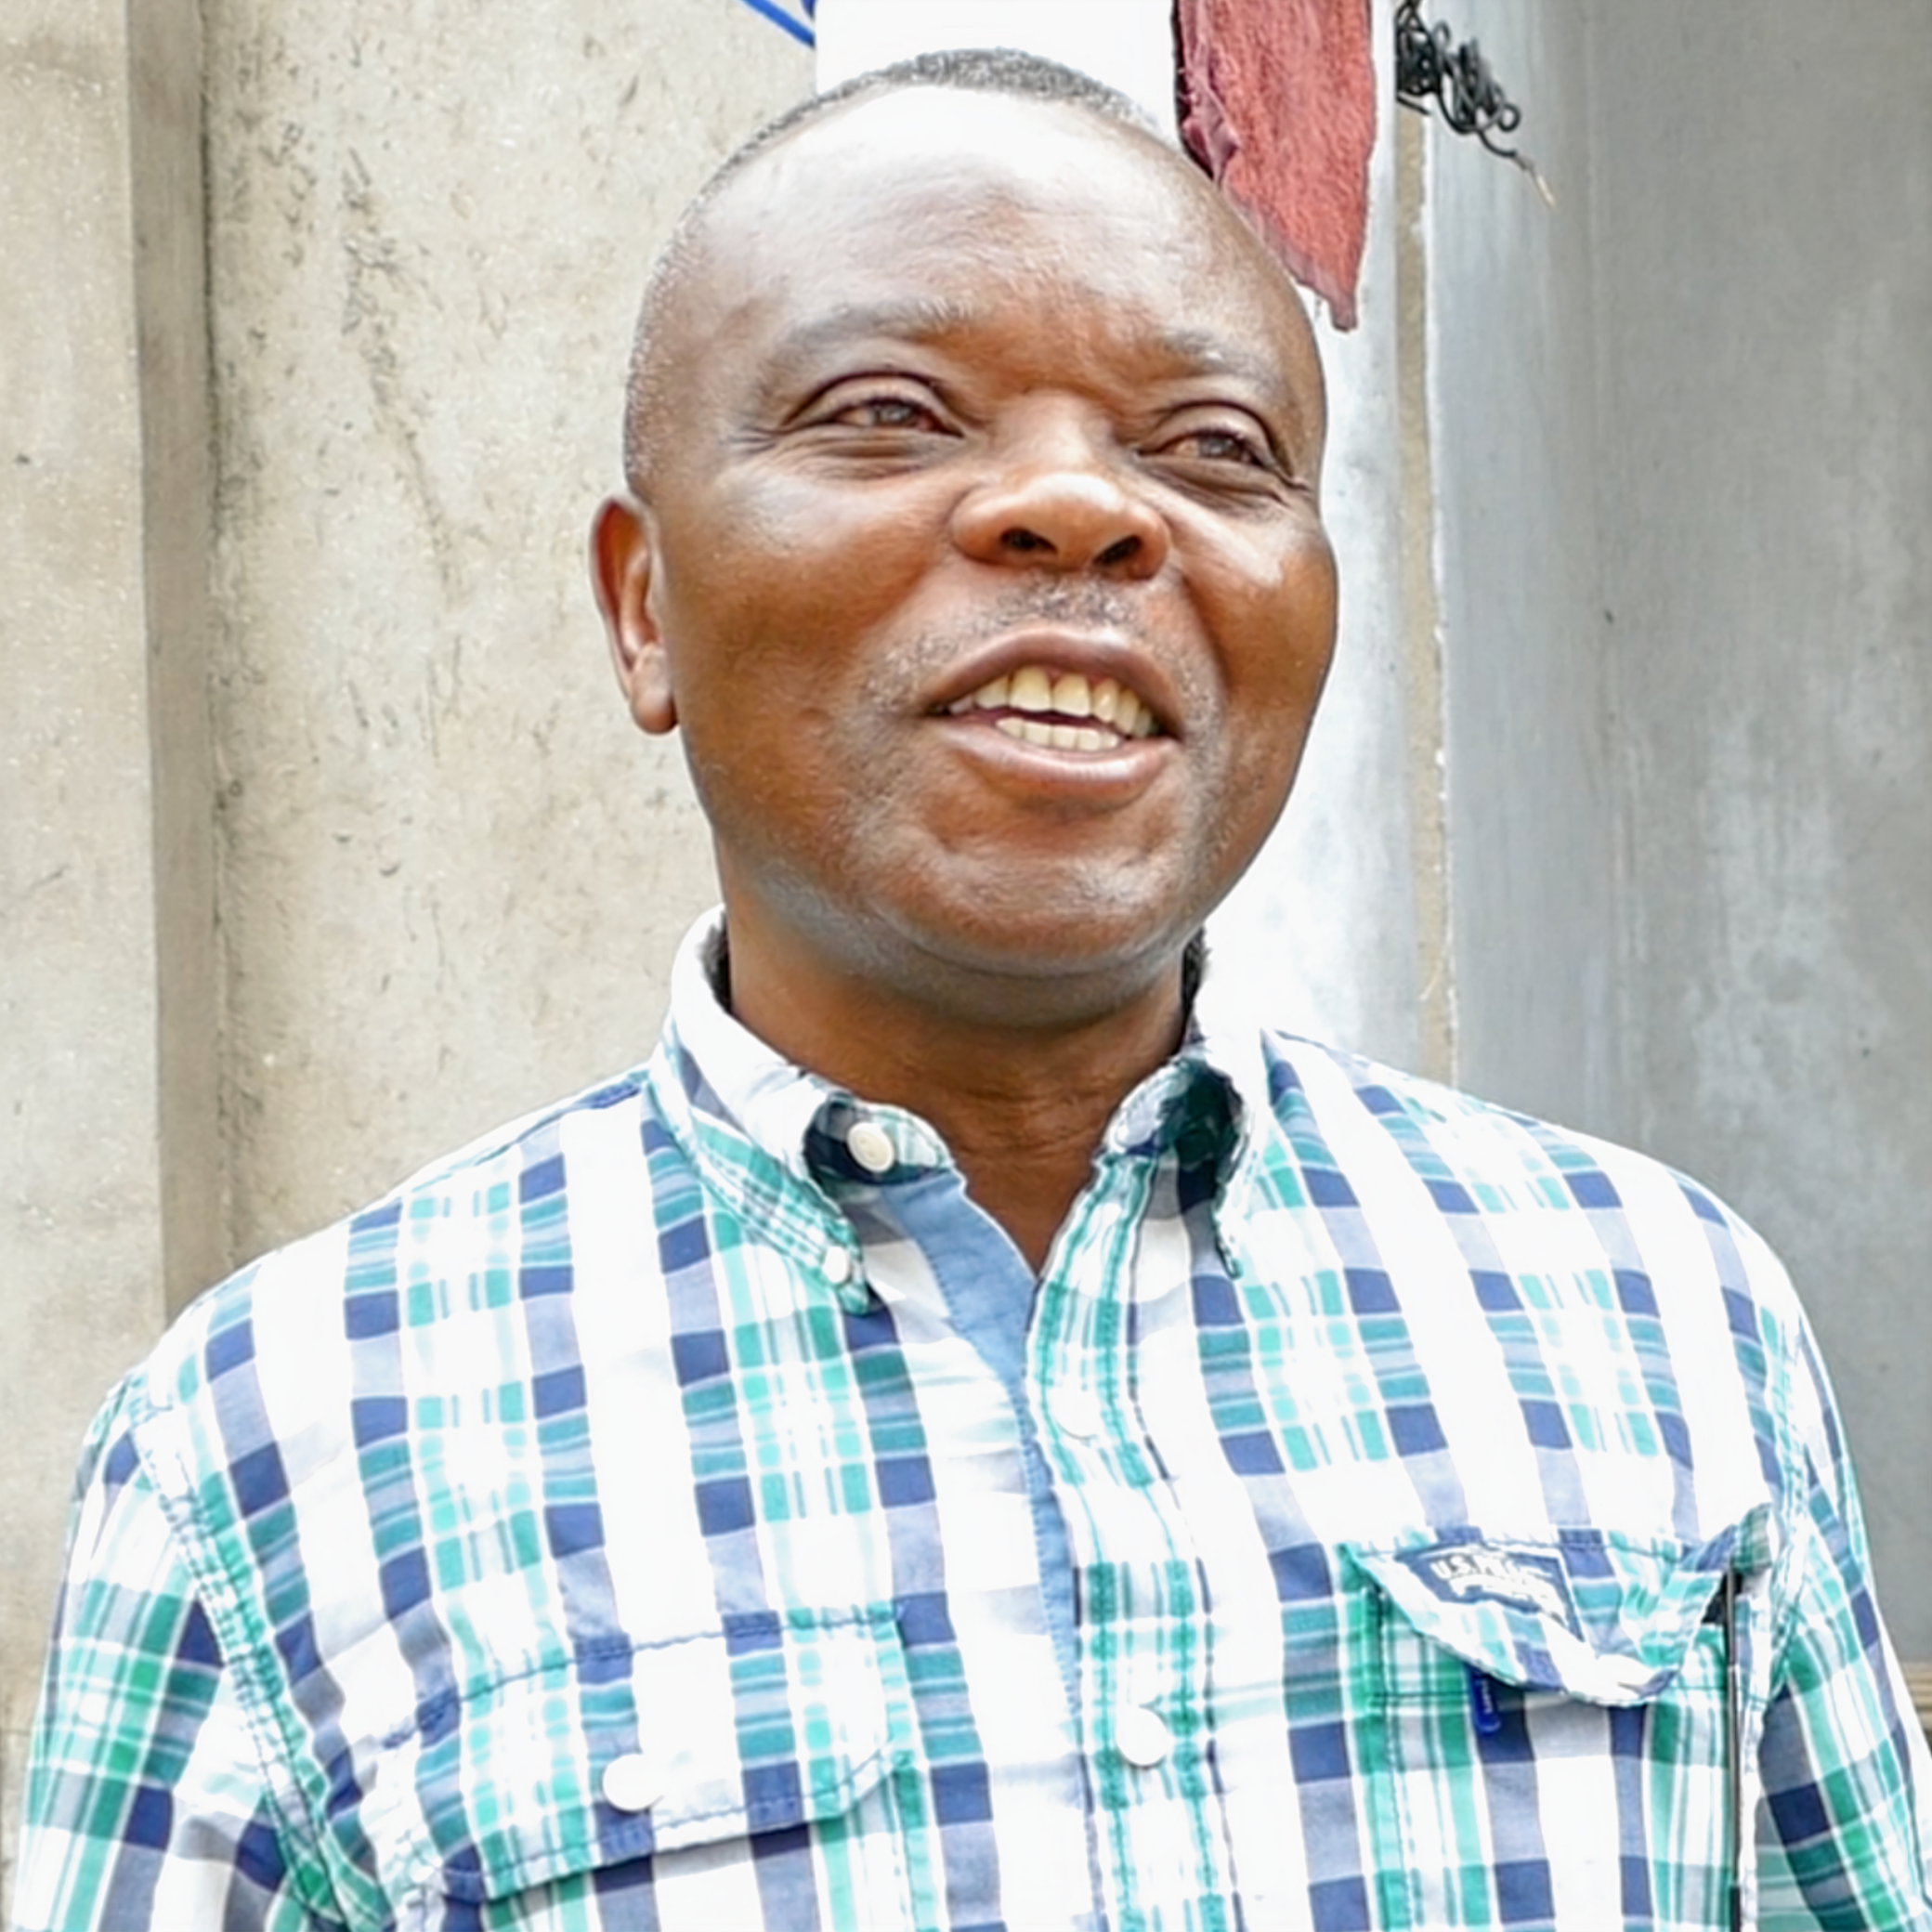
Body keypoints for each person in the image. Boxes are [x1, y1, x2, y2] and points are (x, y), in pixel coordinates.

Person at [14, 47, 1929, 1932]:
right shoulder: (274, 1442)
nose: (1082, 509)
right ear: (643, 605)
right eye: (890, 412)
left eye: (1214, 447)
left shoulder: (1660, 1316)